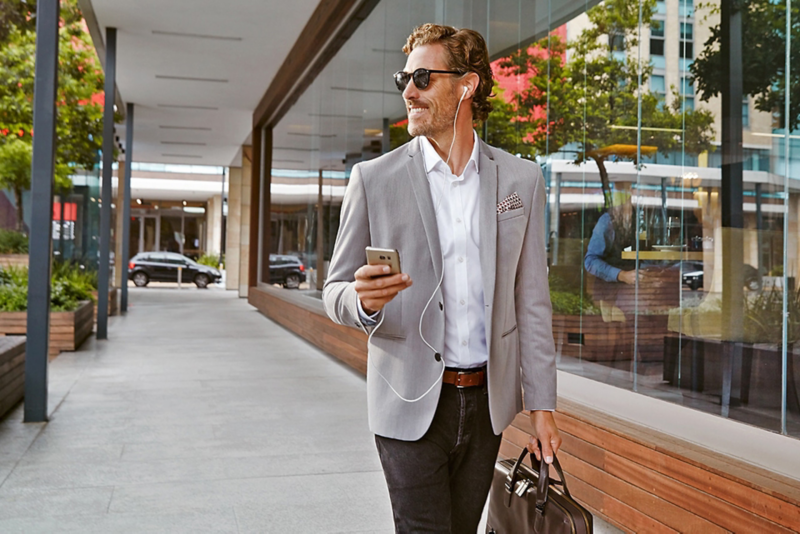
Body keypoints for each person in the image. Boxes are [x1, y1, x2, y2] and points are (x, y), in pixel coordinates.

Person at [322, 23, 560, 533]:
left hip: (486, 409)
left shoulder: (520, 180)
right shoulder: (373, 179)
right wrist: (361, 300)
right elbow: (334, 290)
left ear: (467, 85)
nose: (408, 91)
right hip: (406, 404)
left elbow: (532, 303)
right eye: (403, 79)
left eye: (423, 78)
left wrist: (542, 407)